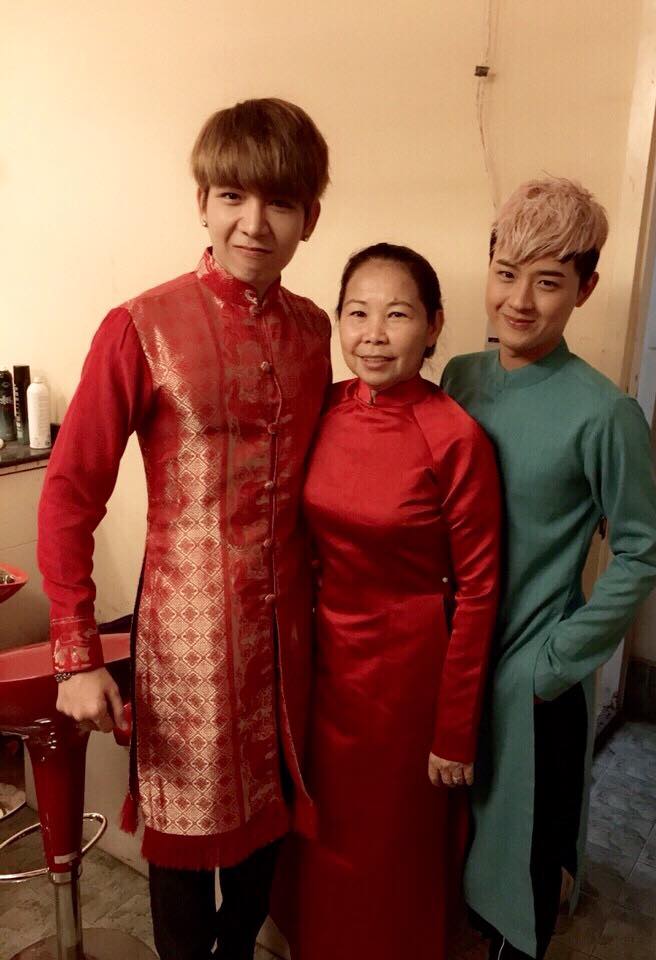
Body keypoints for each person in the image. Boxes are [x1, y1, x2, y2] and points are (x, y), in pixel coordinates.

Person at [37, 98, 331, 960]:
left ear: (310, 216)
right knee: (181, 843)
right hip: (185, 645)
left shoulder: (316, 331)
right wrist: (76, 654)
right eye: (233, 196)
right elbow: (69, 494)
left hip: (289, 644)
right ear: (202, 201)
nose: (254, 223)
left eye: (280, 202)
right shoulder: (141, 325)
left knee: (269, 826)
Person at [441, 177, 656, 959]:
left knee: (521, 875)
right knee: (453, 855)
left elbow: (643, 549)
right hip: (451, 665)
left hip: (532, 679)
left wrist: (557, 660)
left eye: (547, 282)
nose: (519, 301)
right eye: (506, 274)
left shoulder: (604, 413)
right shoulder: (459, 379)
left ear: (585, 289)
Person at [274, 243, 502, 960]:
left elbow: (480, 588)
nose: (373, 335)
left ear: (434, 327)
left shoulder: (454, 436)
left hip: (407, 676)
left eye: (397, 315)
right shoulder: (323, 407)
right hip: (321, 662)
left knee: (390, 846)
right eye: (357, 313)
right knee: (319, 835)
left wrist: (455, 729)